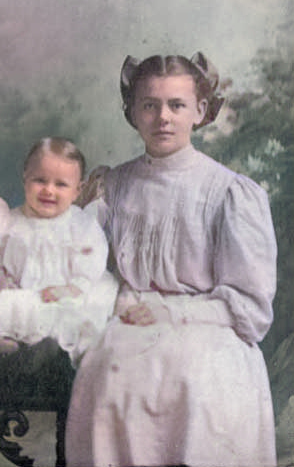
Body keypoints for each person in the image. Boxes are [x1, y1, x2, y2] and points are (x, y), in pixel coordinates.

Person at [65, 53, 278, 466]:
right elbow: (81, 261)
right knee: (109, 366)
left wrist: (170, 312)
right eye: (150, 105)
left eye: (176, 105)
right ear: (132, 112)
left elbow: (250, 307)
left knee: (193, 374)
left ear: (200, 111)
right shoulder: (113, 185)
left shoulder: (229, 192)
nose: (163, 117)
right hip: (129, 319)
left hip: (208, 325)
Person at [0, 137, 118, 367]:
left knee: (76, 312)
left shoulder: (81, 225)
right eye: (40, 180)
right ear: (25, 179)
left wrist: (72, 288)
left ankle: (51, 348)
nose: (48, 190)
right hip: (17, 291)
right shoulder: (9, 221)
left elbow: (92, 262)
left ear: (77, 190)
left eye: (60, 184)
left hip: (62, 294)